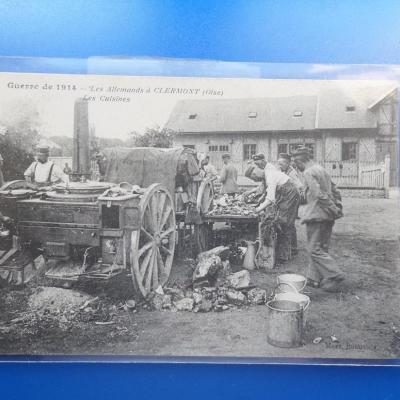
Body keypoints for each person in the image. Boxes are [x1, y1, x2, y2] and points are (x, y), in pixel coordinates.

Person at [292, 146, 344, 292]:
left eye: (296, 164)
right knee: (322, 248)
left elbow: (319, 194)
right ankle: (314, 279)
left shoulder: (308, 172)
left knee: (313, 249)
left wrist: (333, 208)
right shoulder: (321, 169)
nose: (297, 167)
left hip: (317, 215)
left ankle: (335, 273)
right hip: (328, 216)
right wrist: (336, 208)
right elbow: (335, 189)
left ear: (300, 160)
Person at [252, 154, 300, 262]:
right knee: (283, 221)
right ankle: (285, 252)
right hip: (287, 193)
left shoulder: (270, 177)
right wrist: (261, 201)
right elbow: (268, 193)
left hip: (290, 194)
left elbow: (270, 199)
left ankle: (284, 256)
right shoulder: (269, 174)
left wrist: (257, 209)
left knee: (284, 222)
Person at [277, 153, 304, 255]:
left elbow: (299, 186)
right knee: (288, 223)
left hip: (293, 199)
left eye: (282, 163)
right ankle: (290, 247)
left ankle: (293, 248)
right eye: (279, 163)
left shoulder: (291, 173)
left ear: (288, 163)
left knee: (290, 223)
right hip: (287, 199)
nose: (280, 165)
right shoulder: (283, 170)